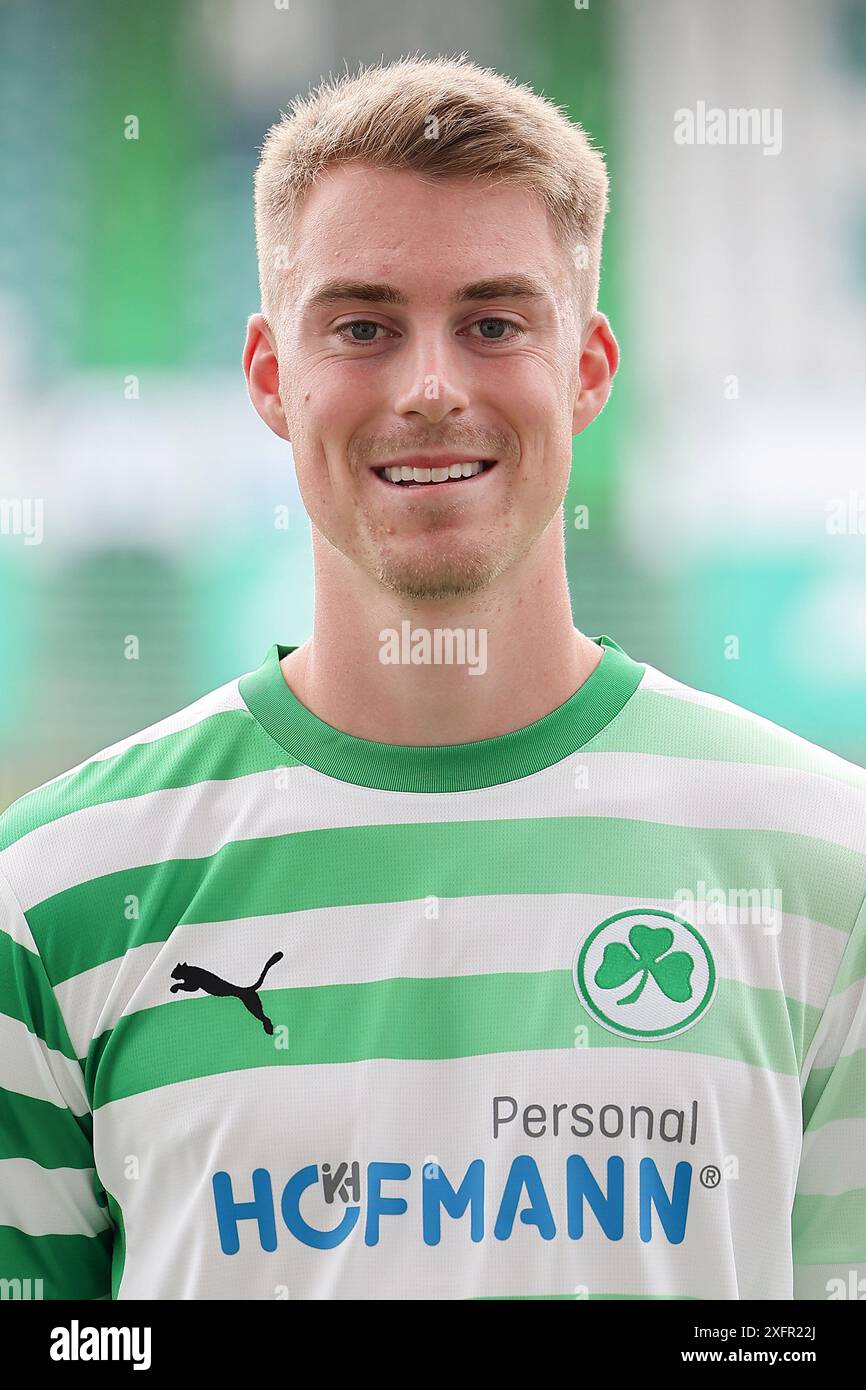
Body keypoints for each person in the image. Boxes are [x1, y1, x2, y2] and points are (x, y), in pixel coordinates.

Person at [1, 53, 864, 1302]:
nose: (428, 389)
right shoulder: (55, 893)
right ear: (267, 377)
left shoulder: (825, 872)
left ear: (586, 368)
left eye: (493, 323)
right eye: (360, 327)